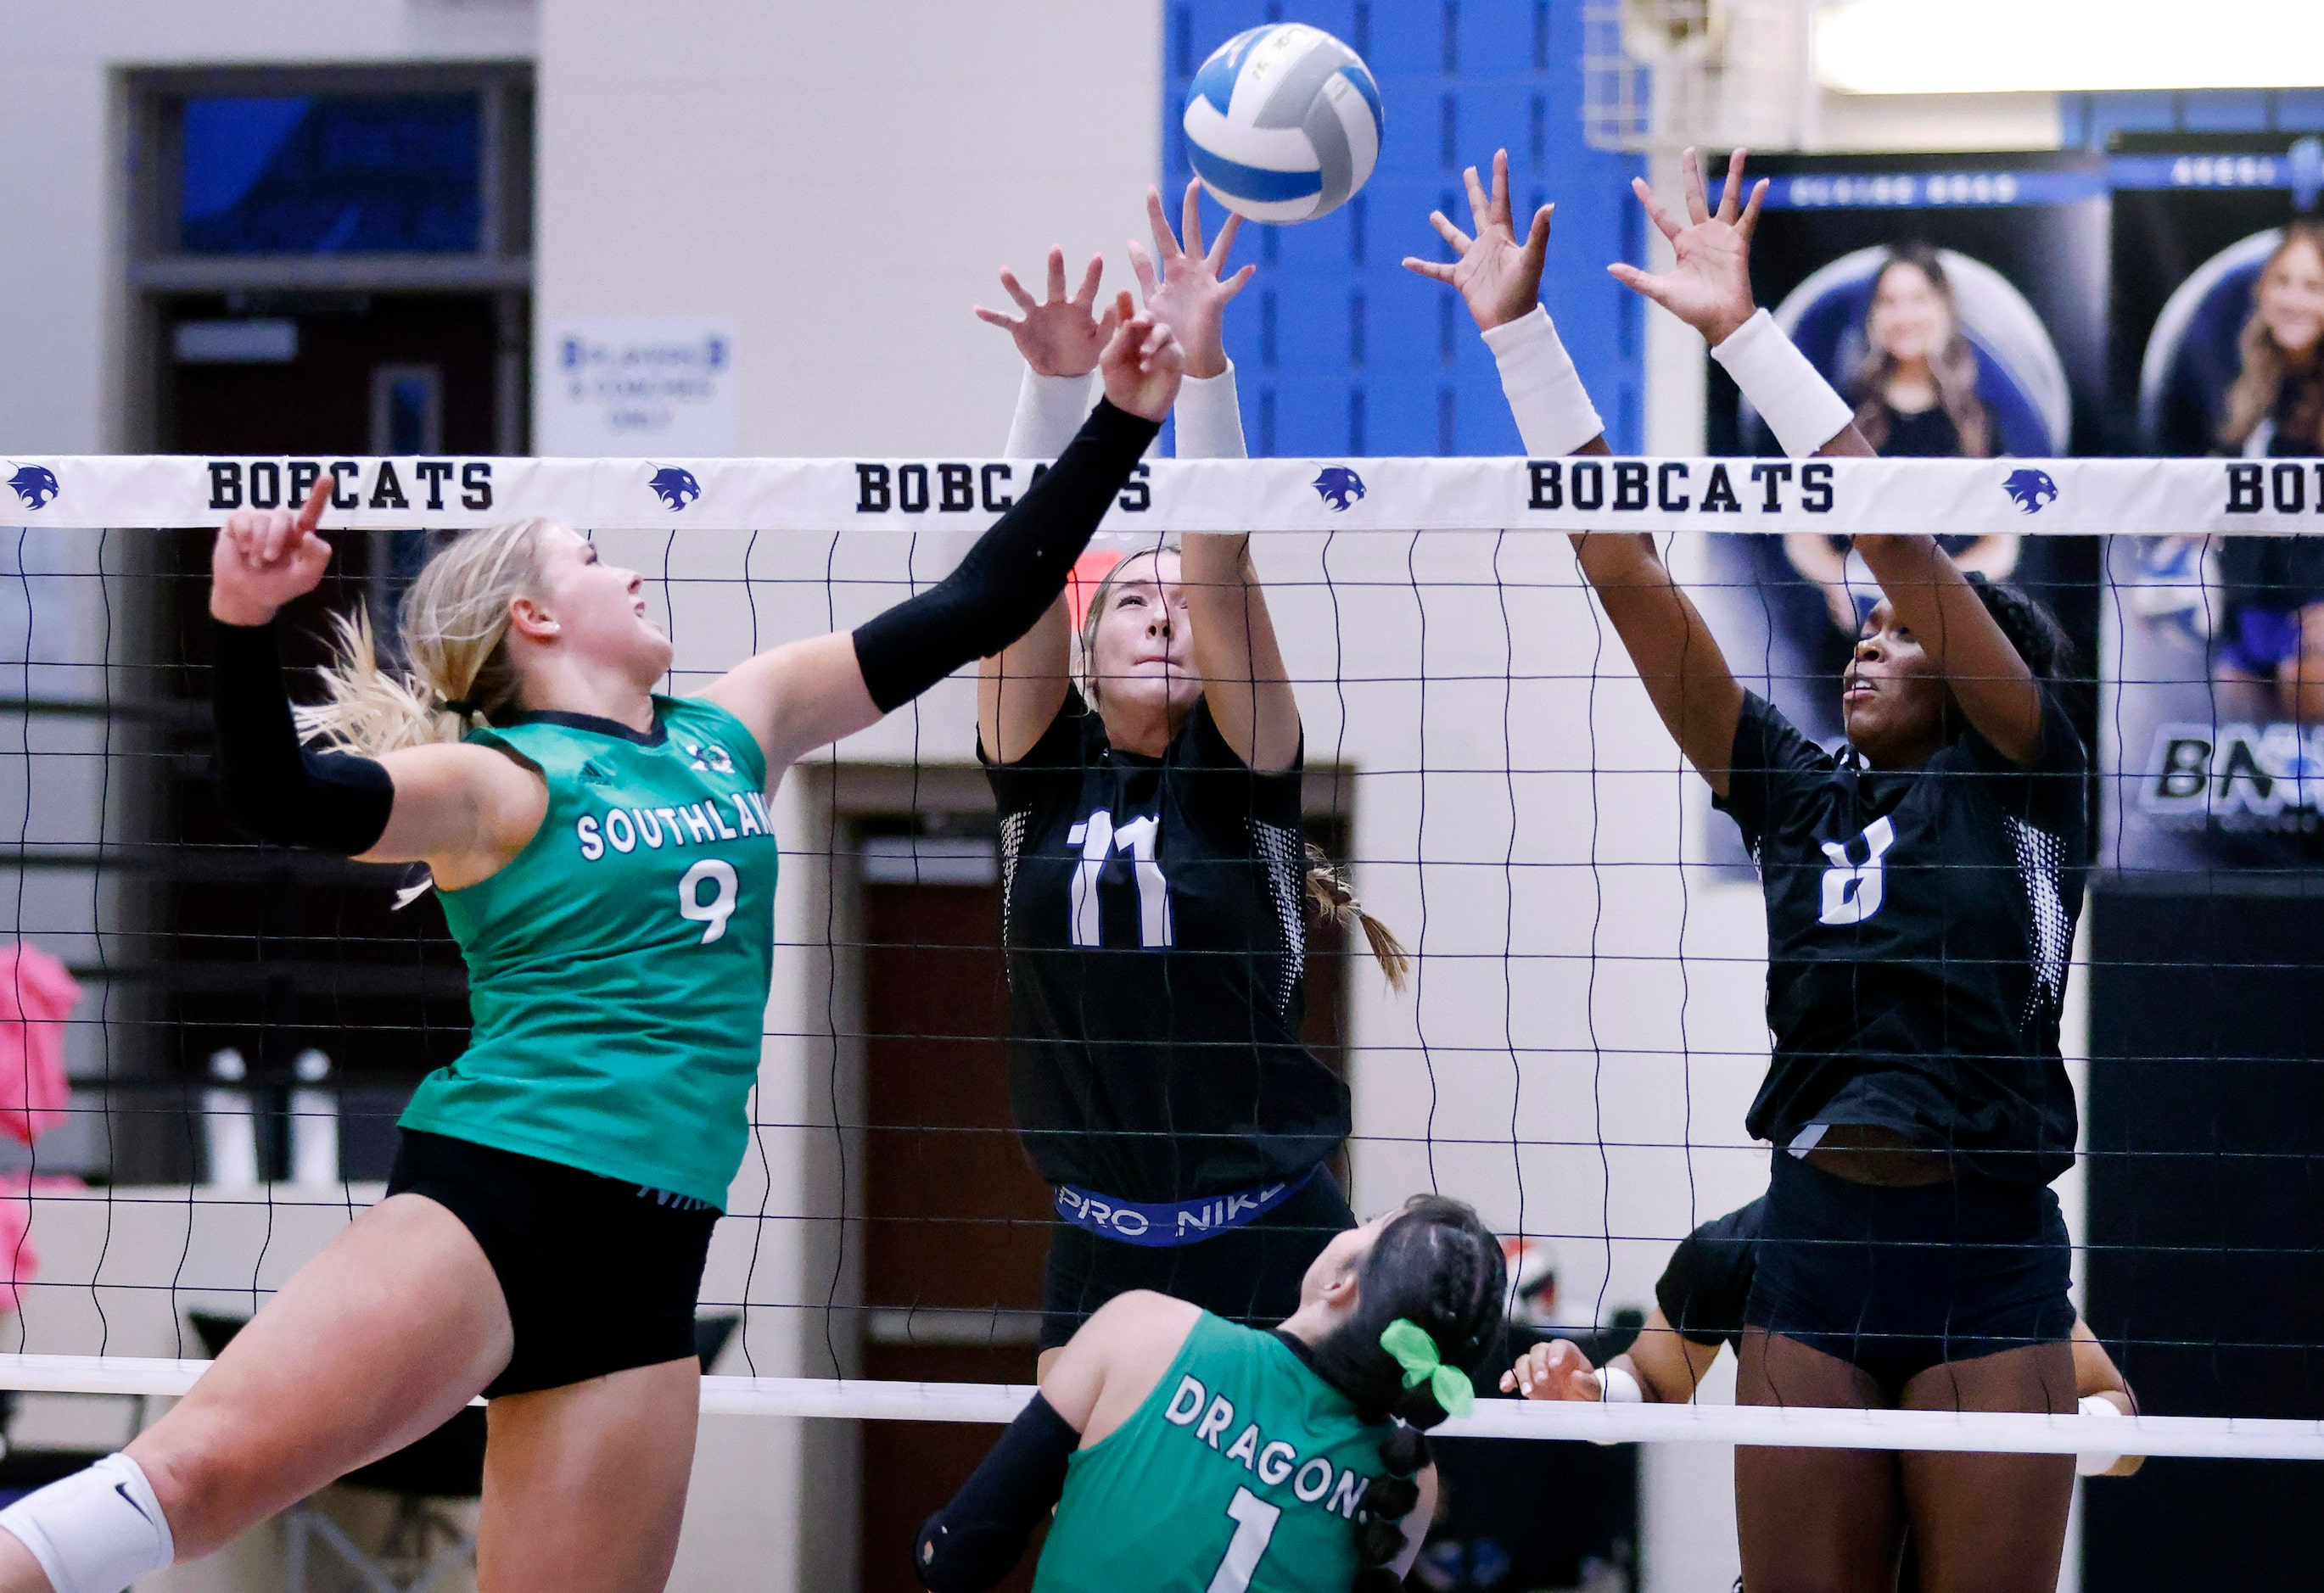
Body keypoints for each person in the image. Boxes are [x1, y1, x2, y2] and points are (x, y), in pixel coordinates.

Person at [0, 305, 1184, 1593]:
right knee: (188, 1486)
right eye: (595, 555)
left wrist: (1117, 412)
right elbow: (280, 800)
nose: (629, 570)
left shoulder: (739, 723)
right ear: (533, 616)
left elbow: (979, 601)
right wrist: (239, 623)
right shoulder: (497, 781)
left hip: (652, 1260)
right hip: (496, 1200)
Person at [1431, 145, 2091, 1593]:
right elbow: (1624, 579)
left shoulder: (2029, 776)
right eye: (1858, 626)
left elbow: (1900, 545)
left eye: (1902, 633)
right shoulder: (1794, 797)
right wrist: (1520, 339)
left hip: (1984, 1253)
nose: (1867, 631)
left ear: (1982, 669)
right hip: (1810, 1244)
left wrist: (1740, 332)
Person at [975, 182, 1409, 1372]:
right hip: (1097, 1242)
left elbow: (1217, 559)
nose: (1163, 613)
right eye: (1129, 599)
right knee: (1095, 1532)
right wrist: (1057, 389)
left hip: (1272, 1229)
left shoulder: (1242, 777)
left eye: (1174, 603)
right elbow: (1010, 570)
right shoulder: (1039, 778)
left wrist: (1203, 366)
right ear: (1084, 642)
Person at [912, 1193, 1506, 1593]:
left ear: (1338, 1284)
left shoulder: (1143, 1330)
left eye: (1366, 1227)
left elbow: (955, 1557)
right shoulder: (1409, 1484)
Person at [1502, 1197, 2146, 1479]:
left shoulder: (1982, 1256)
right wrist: (1590, 1393)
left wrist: (2050, 1428)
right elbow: (1648, 1382)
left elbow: (2125, 1436)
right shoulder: (1733, 1250)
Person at [1781, 243, 2019, 690]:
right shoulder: (1839, 415)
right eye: (1889, 301)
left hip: (1949, 647)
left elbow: (2002, 548)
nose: (1903, 315)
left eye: (1918, 299)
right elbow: (1800, 537)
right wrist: (1840, 584)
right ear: (1873, 317)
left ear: (1943, 309)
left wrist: (1938, 600)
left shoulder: (1978, 421)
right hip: (1856, 646)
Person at [2209, 220, 2324, 724]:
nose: (2294, 299)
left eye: (2313, 285)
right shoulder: (2252, 381)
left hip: (2315, 618)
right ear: (2262, 292)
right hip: (2251, 614)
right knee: (2265, 781)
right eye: (2282, 282)